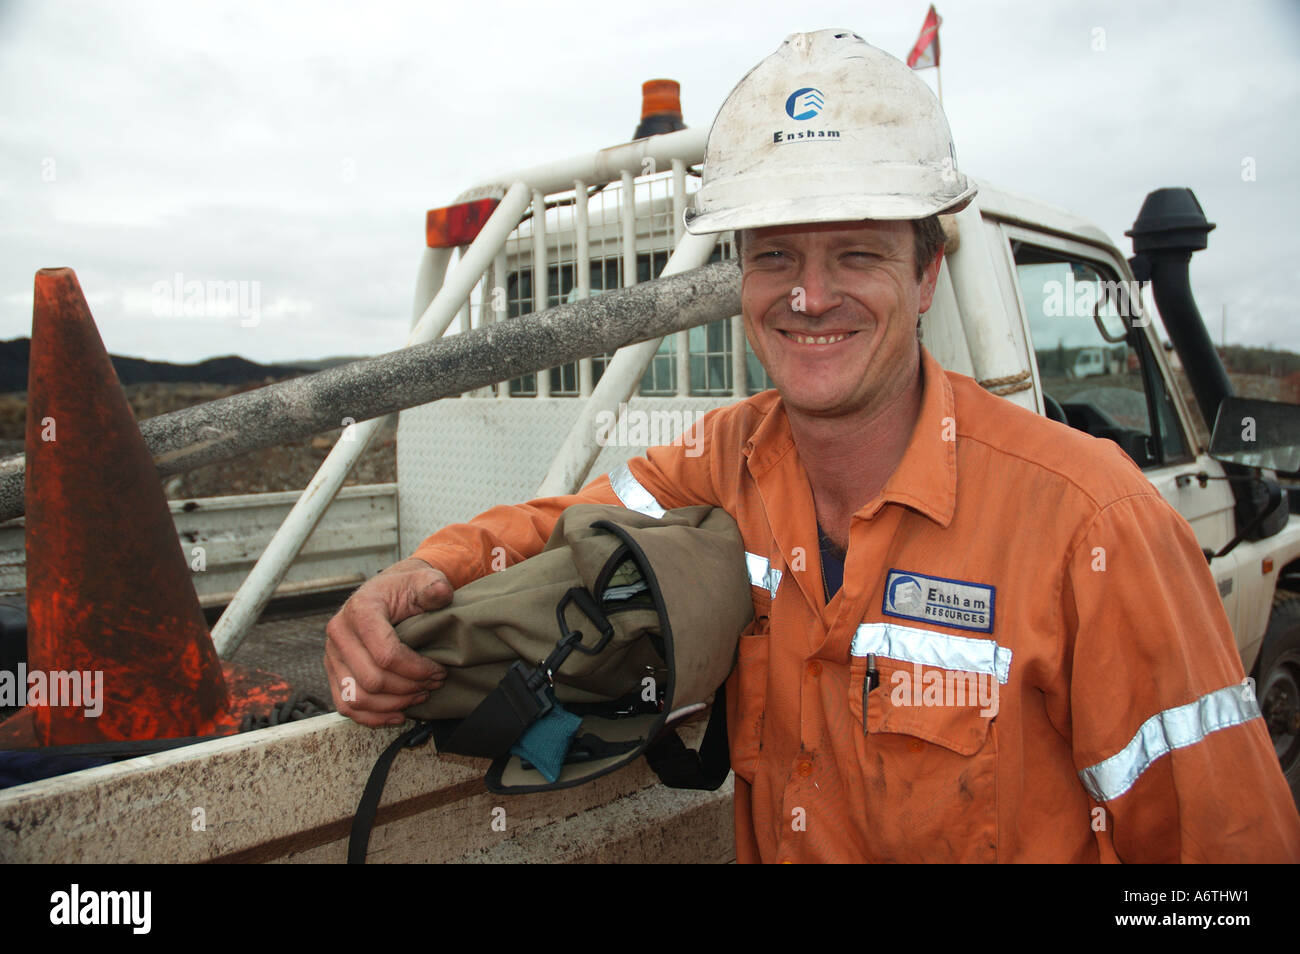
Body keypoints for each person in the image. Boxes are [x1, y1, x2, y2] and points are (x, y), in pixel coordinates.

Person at [325, 29, 1300, 862]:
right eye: (775, 255)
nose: (808, 295)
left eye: (858, 253)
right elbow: (563, 527)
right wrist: (420, 574)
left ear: (927, 274)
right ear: (741, 277)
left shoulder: (1096, 527)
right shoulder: (726, 462)